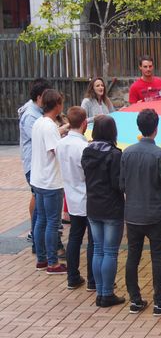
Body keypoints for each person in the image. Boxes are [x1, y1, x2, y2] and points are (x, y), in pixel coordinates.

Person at [120, 109, 161, 316]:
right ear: (156, 129)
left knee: (133, 257)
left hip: (133, 214)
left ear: (139, 127)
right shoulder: (160, 155)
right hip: (155, 214)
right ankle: (159, 301)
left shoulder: (127, 153)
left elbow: (121, 184)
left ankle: (135, 300)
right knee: (157, 258)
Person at [81, 115, 126, 307]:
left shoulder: (86, 152)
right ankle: (107, 294)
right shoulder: (115, 155)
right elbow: (118, 184)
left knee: (98, 249)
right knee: (110, 251)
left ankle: (100, 290)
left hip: (92, 206)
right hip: (112, 208)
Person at [56, 106, 95, 290]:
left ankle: (73, 276)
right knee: (93, 240)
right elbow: (89, 174)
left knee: (75, 237)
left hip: (71, 196)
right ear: (85, 123)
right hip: (87, 197)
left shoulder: (61, 144)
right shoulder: (83, 147)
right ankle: (93, 280)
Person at [30, 89, 67, 274]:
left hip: (38, 179)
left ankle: (42, 259)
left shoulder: (39, 122)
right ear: (58, 105)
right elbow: (55, 150)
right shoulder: (50, 126)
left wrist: (64, 130)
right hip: (51, 181)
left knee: (41, 220)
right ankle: (53, 263)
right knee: (53, 222)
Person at [18, 78, 51, 248]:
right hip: (34, 165)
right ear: (39, 97)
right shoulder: (30, 115)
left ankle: (38, 239)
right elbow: (41, 139)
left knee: (38, 201)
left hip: (38, 164)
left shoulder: (36, 110)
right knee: (40, 204)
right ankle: (38, 242)